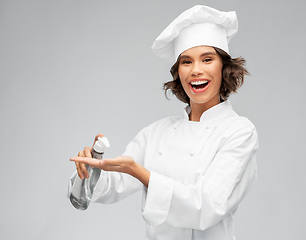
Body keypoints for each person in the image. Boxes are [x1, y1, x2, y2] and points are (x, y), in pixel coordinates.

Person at [69, 5, 258, 240]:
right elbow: (107, 187)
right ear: (178, 72)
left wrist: (141, 173)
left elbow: (208, 207)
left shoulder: (239, 132)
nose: (196, 70)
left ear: (224, 67)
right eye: (186, 62)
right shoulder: (157, 132)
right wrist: (91, 168)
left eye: (207, 59)